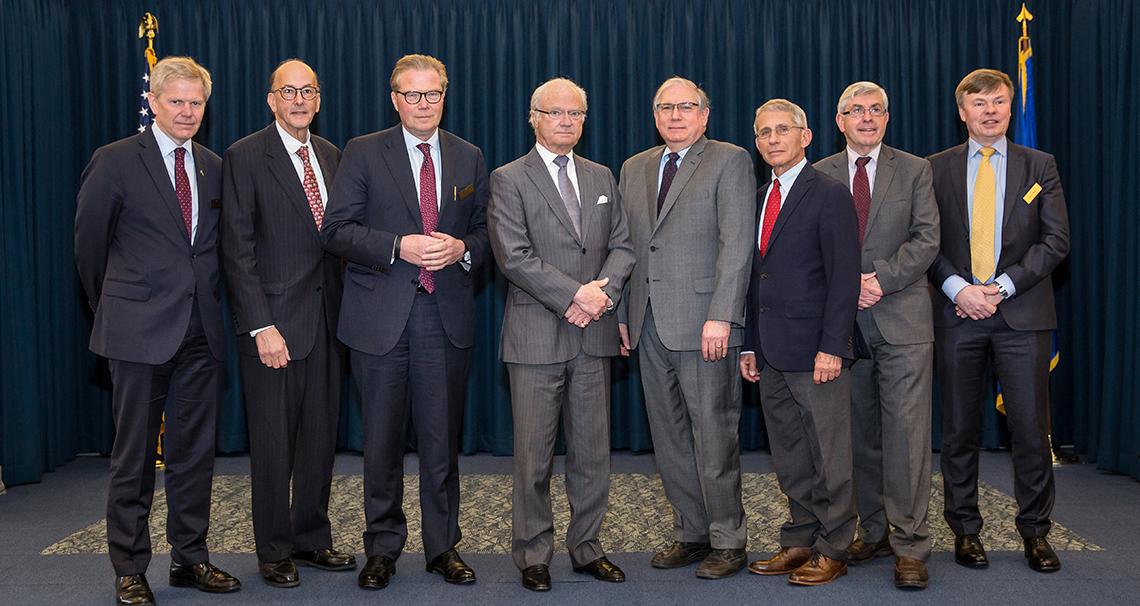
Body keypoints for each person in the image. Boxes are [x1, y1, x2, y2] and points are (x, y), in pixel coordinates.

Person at [75, 56, 241, 606]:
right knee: (135, 456)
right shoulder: (116, 161)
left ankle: (190, 558)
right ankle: (129, 566)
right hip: (136, 333)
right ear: (153, 101)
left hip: (201, 334)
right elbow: (89, 248)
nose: (188, 112)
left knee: (194, 455)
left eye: (196, 103)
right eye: (177, 101)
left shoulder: (216, 167)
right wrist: (117, 309)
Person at [320, 53, 488, 590]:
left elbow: (488, 236)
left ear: (445, 95)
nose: (423, 104)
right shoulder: (364, 152)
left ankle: (443, 547)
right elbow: (336, 230)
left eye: (432, 94)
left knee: (441, 444)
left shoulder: (469, 157)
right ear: (395, 99)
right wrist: (398, 246)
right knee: (382, 445)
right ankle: (383, 547)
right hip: (379, 322)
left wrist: (463, 247)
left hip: (445, 320)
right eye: (412, 95)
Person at [488, 77, 635, 592]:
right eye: (555, 113)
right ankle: (533, 554)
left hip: (593, 337)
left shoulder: (600, 175)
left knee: (593, 453)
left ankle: (587, 547)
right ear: (534, 118)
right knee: (534, 455)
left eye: (575, 114)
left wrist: (605, 293)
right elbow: (513, 256)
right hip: (535, 338)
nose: (566, 121)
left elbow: (623, 245)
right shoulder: (508, 178)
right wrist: (577, 295)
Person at [928, 68, 1070, 573]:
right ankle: (965, 532)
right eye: (979, 103)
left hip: (1022, 315)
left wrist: (1002, 286)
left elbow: (1056, 241)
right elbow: (927, 243)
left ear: (1011, 108)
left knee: (1031, 431)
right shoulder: (934, 168)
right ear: (962, 111)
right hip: (956, 314)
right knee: (959, 431)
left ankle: (1036, 533)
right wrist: (959, 289)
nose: (991, 111)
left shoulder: (1040, 165)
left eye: (1000, 102)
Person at [220, 59, 355, 588]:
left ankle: (311, 538)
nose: (299, 100)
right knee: (274, 444)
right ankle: (273, 549)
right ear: (271, 99)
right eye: (288, 91)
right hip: (274, 327)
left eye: (309, 91)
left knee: (320, 439)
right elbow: (237, 249)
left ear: (318, 99)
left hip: (328, 321)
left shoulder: (331, 154)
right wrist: (260, 326)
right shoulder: (245, 156)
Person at [616, 76, 755, 579]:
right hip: (647, 321)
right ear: (655, 116)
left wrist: (722, 314)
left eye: (686, 107)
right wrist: (621, 316)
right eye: (665, 108)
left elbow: (737, 244)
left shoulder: (731, 159)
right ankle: (691, 531)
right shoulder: (634, 168)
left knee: (714, 433)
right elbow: (627, 248)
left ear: (705, 114)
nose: (675, 115)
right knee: (669, 436)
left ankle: (728, 538)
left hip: (705, 324)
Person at [814, 81, 940, 589]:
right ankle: (874, 530)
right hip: (841, 327)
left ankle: (911, 545)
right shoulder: (818, 174)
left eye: (876, 110)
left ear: (887, 118)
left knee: (907, 437)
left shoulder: (915, 169)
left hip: (903, 318)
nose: (866, 117)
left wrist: (879, 280)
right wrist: (846, 287)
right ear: (839, 120)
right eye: (855, 110)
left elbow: (927, 237)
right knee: (859, 437)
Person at [741, 98, 860, 587]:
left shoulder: (829, 194)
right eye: (764, 132)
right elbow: (754, 278)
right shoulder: (758, 196)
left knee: (829, 454)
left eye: (782, 130)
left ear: (806, 136)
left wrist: (834, 346)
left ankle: (834, 545)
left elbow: (844, 278)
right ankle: (800, 538)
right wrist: (749, 344)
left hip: (816, 352)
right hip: (769, 351)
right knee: (790, 453)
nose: (772, 140)